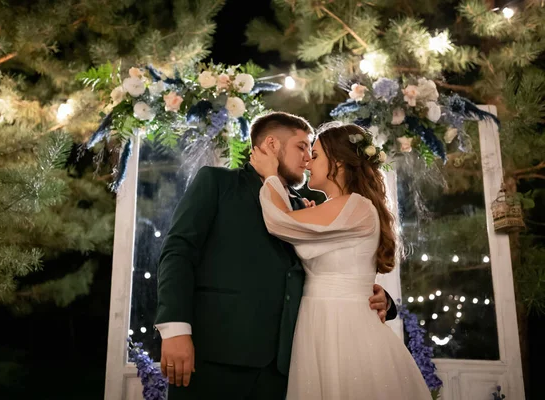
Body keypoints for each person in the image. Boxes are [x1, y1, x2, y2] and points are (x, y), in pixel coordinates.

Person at [154, 112, 397, 400]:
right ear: (271, 144)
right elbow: (178, 253)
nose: (307, 159)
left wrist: (382, 300)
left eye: (313, 151)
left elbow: (336, 265)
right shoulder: (218, 183)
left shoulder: (311, 205)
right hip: (218, 356)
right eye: (302, 147)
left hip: (289, 365)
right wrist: (175, 329)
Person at [249, 121, 432, 399]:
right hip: (320, 321)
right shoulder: (339, 208)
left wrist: (270, 175)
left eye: (317, 155)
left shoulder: (354, 205)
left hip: (342, 327)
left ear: (340, 162)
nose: (308, 162)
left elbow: (280, 222)